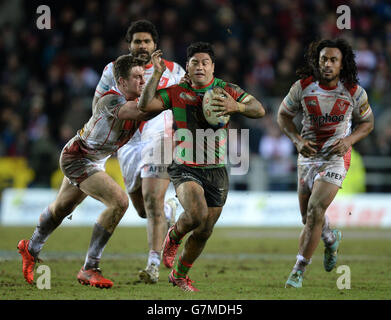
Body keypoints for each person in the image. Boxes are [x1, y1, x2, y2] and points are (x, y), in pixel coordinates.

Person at [138, 43, 266, 292]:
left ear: (213, 67)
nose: (200, 66)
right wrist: (155, 74)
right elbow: (145, 105)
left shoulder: (226, 91)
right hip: (185, 165)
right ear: (188, 66)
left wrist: (236, 107)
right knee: (196, 215)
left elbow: (259, 109)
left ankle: (180, 275)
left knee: (205, 229)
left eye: (205, 62)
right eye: (194, 62)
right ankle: (173, 236)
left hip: (216, 168)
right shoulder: (176, 91)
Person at [17, 54, 152, 288]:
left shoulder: (135, 100)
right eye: (137, 77)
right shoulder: (111, 101)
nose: (142, 81)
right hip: (78, 157)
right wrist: (166, 85)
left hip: (94, 158)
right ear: (121, 82)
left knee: (62, 208)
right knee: (119, 202)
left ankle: (30, 248)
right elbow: (143, 111)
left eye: (144, 76)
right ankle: (90, 268)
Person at [93, 20, 185, 284]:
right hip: (128, 141)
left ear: (155, 45)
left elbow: (186, 102)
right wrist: (100, 135)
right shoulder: (112, 70)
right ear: (129, 45)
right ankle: (169, 213)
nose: (142, 46)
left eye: (147, 41)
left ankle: (153, 265)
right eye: (137, 42)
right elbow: (98, 103)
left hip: (160, 137)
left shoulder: (174, 70)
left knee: (152, 200)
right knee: (143, 210)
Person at [277, 39, 374, 288]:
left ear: (342, 65)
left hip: (336, 157)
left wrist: (349, 140)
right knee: (307, 218)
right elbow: (283, 116)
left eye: (333, 60)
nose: (327, 64)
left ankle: (298, 270)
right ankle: (330, 238)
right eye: (323, 60)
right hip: (308, 155)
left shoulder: (354, 91)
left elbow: (368, 123)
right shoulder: (302, 87)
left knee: (314, 212)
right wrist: (297, 140)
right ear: (316, 62)